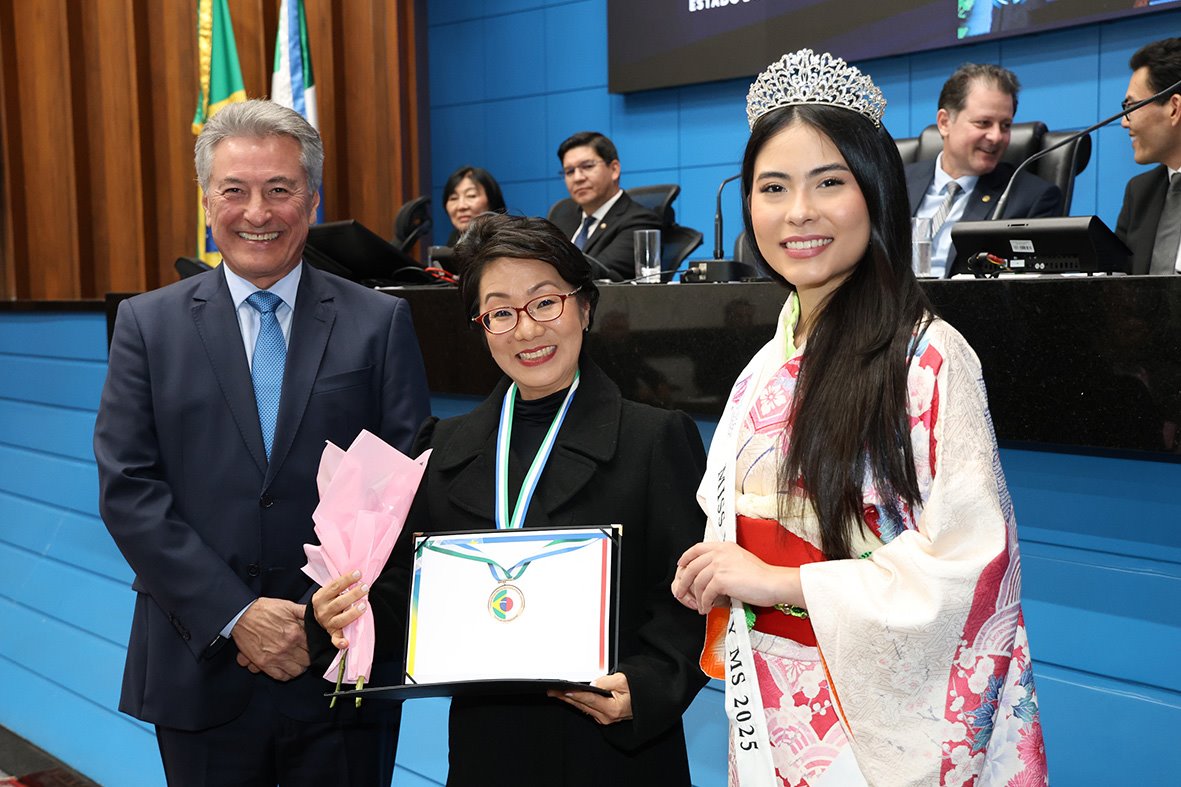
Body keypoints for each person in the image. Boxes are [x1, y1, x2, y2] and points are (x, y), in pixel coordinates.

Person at [671, 50, 1047, 786]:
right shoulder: (762, 365)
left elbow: (972, 566)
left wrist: (781, 583)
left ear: (876, 191)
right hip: (772, 701)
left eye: (829, 182)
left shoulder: (929, 358)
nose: (798, 212)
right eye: (772, 187)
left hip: (874, 718)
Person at [94, 99, 431, 786]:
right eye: (235, 190)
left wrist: (311, 621)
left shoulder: (379, 323)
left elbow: (401, 486)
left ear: (312, 199)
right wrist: (236, 614)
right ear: (206, 200)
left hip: (340, 661)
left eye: (279, 189)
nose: (257, 212)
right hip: (200, 658)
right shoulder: (146, 326)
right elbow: (128, 488)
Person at [310, 213, 708, 785]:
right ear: (482, 326)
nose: (525, 330)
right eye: (500, 312)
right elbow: (408, 588)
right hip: (489, 746)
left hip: (613, 750)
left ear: (584, 307)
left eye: (545, 303)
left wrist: (646, 687)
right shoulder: (445, 446)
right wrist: (352, 611)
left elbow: (690, 596)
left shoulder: (654, 439)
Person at [906, 63, 1061, 276]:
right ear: (944, 122)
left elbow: (1028, 284)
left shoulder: (1031, 199)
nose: (996, 137)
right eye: (983, 123)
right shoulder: (897, 182)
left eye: (1005, 125)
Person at [549, 130, 663, 281]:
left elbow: (596, 274)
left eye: (587, 166)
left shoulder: (640, 221)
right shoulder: (562, 213)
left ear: (614, 169)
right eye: (569, 171)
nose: (577, 178)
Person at [1116, 37, 1181, 275]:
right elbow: (1115, 281)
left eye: (1131, 107)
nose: (1124, 122)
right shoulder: (1140, 192)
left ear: (1174, 109)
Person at [442, 165, 506, 247]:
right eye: (453, 198)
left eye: (471, 195)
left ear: (491, 200)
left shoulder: (506, 240)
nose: (461, 206)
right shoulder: (455, 239)